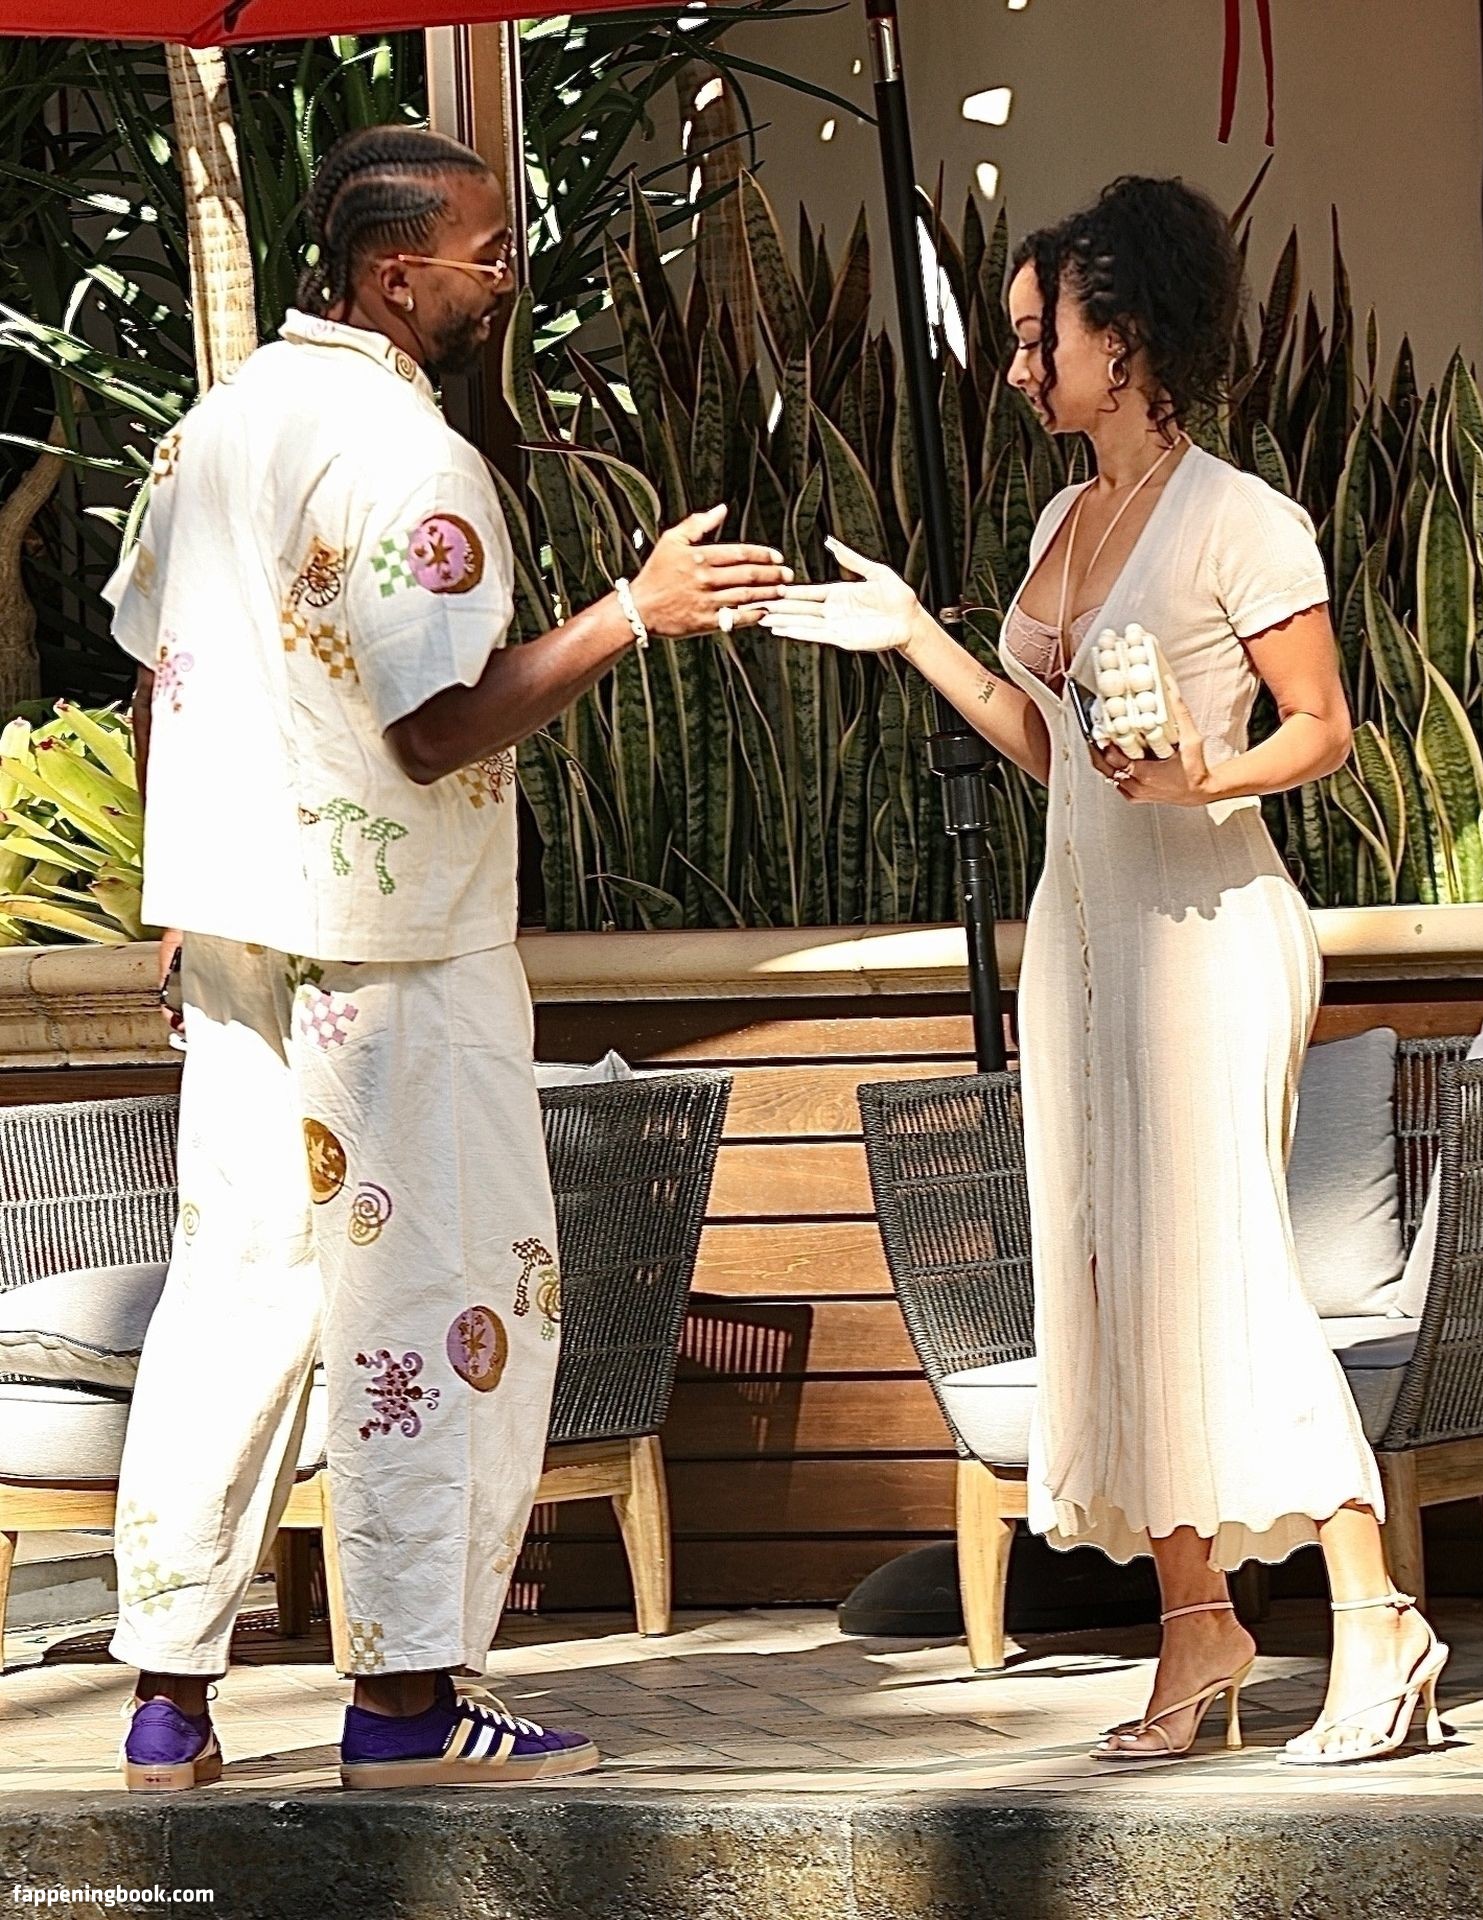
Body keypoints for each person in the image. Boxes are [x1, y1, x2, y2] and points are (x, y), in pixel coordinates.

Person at [104, 124, 792, 1793]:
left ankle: (167, 1707)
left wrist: (179, 891)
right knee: (438, 1304)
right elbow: (434, 728)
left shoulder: (215, 428)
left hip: (239, 944)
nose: (507, 280)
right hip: (398, 962)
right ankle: (406, 1706)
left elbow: (149, 677)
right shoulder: (412, 457)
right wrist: (634, 612)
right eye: (488, 255)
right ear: (394, 273)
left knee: (235, 1305)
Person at [759, 176, 1450, 1766]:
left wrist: (1203, 777)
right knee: (1120, 1291)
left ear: (1122, 338)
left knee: (1228, 1279)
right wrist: (914, 634)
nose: (1018, 368)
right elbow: (1048, 745)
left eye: (1037, 337)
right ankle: (1197, 1627)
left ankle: (1377, 1619)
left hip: (1208, 943)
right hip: (1085, 951)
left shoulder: (1240, 519)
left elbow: (1325, 730)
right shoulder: (1065, 525)